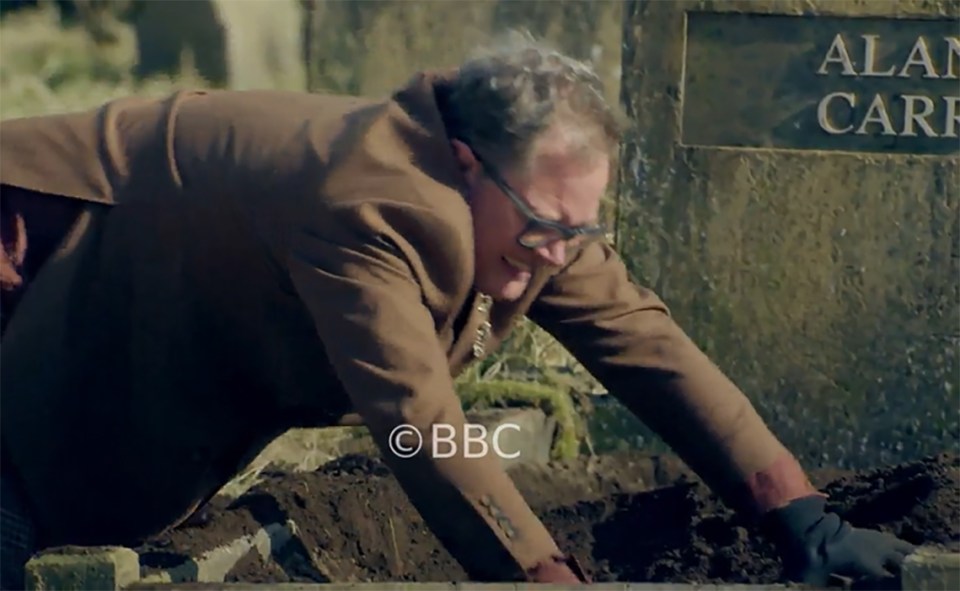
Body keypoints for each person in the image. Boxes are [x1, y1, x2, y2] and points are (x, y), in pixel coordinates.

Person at [0, 32, 915, 588]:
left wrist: (802, 517)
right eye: (546, 226)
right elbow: (416, 425)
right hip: (31, 262)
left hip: (140, 327)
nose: (560, 253)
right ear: (467, 162)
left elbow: (646, 340)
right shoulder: (371, 202)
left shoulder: (534, 213)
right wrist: (541, 573)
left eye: (580, 228)